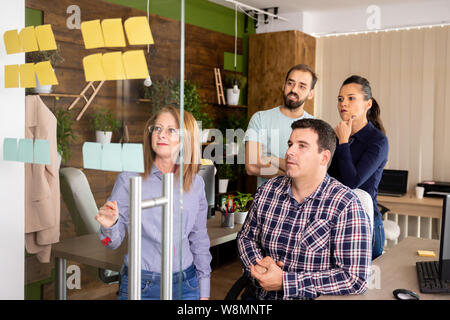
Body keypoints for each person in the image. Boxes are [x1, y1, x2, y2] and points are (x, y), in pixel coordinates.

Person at [237, 118, 372, 300]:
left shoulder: (346, 205)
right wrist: (258, 265)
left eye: (302, 146)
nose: (289, 152)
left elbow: (355, 279)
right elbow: (246, 238)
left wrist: (286, 281)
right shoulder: (268, 190)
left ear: (323, 157)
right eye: (290, 144)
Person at [95, 106, 212, 300]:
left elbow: (199, 239)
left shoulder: (196, 183)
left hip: (187, 284)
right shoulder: (129, 179)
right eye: (157, 129)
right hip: (142, 285)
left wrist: (204, 290)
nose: (161, 135)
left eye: (170, 130)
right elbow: (110, 243)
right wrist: (110, 226)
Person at [328, 75, 389, 260]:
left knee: (365, 288)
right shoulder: (335, 135)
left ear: (368, 104)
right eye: (340, 99)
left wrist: (344, 141)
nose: (343, 104)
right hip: (337, 222)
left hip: (365, 226)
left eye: (351, 98)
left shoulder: (378, 141)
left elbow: (351, 182)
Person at [244, 64, 316, 187]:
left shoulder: (315, 126)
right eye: (290, 83)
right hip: (268, 200)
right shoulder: (260, 119)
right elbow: (251, 166)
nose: (294, 90)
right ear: (284, 86)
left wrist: (272, 159)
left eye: (302, 86)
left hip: (303, 203)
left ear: (310, 94)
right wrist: (292, 175)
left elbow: (311, 171)